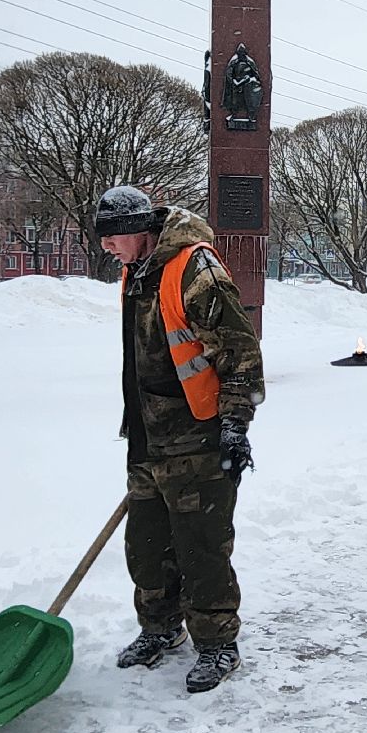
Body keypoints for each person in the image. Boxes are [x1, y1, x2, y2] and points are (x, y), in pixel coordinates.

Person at [94, 185, 265, 693]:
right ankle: (161, 627)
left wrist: (234, 424)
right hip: (148, 435)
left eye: (112, 237)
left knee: (201, 547)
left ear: (139, 230)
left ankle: (217, 643)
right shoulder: (138, 270)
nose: (106, 246)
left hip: (197, 436)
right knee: (146, 546)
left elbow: (239, 350)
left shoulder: (194, 268)